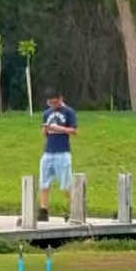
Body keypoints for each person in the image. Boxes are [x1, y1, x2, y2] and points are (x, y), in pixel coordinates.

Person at [38, 90, 77, 221]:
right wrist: (46, 129)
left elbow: (74, 130)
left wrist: (58, 128)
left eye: (55, 102)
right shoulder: (47, 113)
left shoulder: (68, 112)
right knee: (44, 182)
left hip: (62, 152)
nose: (53, 105)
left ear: (60, 99)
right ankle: (44, 210)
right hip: (48, 151)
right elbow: (44, 134)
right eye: (50, 103)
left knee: (66, 183)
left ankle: (73, 210)